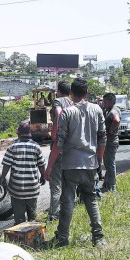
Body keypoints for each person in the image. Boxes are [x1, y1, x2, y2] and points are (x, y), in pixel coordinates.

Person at [44, 78, 106, 248]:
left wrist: (49, 166)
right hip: (90, 163)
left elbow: (58, 142)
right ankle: (98, 237)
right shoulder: (97, 110)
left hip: (70, 164)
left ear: (71, 93)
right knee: (91, 199)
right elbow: (102, 139)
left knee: (68, 201)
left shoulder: (66, 112)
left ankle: (62, 238)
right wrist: (99, 161)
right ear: (86, 93)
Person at [0, 121, 46, 225]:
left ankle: (20, 234)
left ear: (18, 133)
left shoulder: (12, 147)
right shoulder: (36, 147)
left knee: (19, 218)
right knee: (32, 216)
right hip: (32, 187)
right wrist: (43, 176)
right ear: (30, 133)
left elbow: (6, 165)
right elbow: (41, 165)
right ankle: (32, 233)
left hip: (17, 187)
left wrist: (3, 177)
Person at [47, 81, 73, 222]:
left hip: (60, 145)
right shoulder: (72, 102)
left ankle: (55, 213)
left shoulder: (58, 101)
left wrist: (54, 132)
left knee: (55, 182)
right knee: (67, 181)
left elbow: (58, 113)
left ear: (58, 91)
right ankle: (67, 209)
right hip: (71, 146)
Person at [101, 93, 121, 193]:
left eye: (105, 102)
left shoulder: (113, 111)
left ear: (111, 102)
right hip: (110, 141)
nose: (103, 103)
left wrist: (110, 131)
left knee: (109, 164)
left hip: (111, 141)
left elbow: (116, 121)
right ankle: (107, 184)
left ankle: (112, 186)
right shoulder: (110, 110)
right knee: (108, 164)